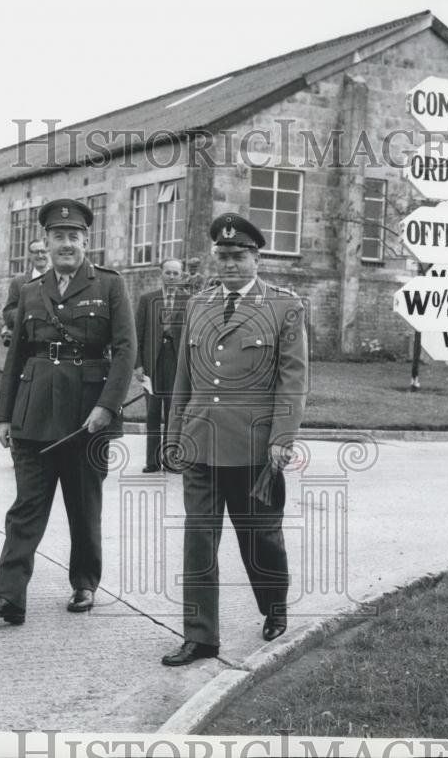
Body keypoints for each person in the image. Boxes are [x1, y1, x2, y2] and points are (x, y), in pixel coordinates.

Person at [0, 198, 136, 625]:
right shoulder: (30, 291)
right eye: (58, 236)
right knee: (25, 508)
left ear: (86, 241)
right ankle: (9, 597)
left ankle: (84, 584)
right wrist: (4, 415)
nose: (66, 244)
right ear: (45, 242)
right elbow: (18, 357)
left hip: (86, 417)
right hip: (35, 412)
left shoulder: (110, 286)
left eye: (73, 236)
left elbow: (125, 350)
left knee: (84, 508)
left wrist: (107, 406)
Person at [161, 213, 308, 666]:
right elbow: (184, 378)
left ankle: (274, 605)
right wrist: (173, 435)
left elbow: (293, 381)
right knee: (199, 542)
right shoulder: (199, 305)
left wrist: (282, 439)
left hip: (254, 447)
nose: (229, 264)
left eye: (238, 256)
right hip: (201, 441)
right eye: (222, 256)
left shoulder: (283, 306)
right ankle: (201, 636)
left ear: (256, 258)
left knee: (261, 537)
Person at [134, 258, 189, 472]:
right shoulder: (147, 299)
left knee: (175, 413)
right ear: (161, 273)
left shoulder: (189, 301)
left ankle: (172, 460)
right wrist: (138, 365)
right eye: (168, 272)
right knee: (153, 413)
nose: (172, 277)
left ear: (181, 276)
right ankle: (152, 461)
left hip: (177, 363)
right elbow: (137, 334)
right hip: (153, 363)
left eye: (176, 273)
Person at [0, 239, 49, 344]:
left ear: (48, 253)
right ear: (30, 256)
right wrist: (29, 312)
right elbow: (7, 313)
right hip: (27, 340)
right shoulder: (19, 282)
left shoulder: (59, 279)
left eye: (43, 251)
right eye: (36, 252)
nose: (40, 255)